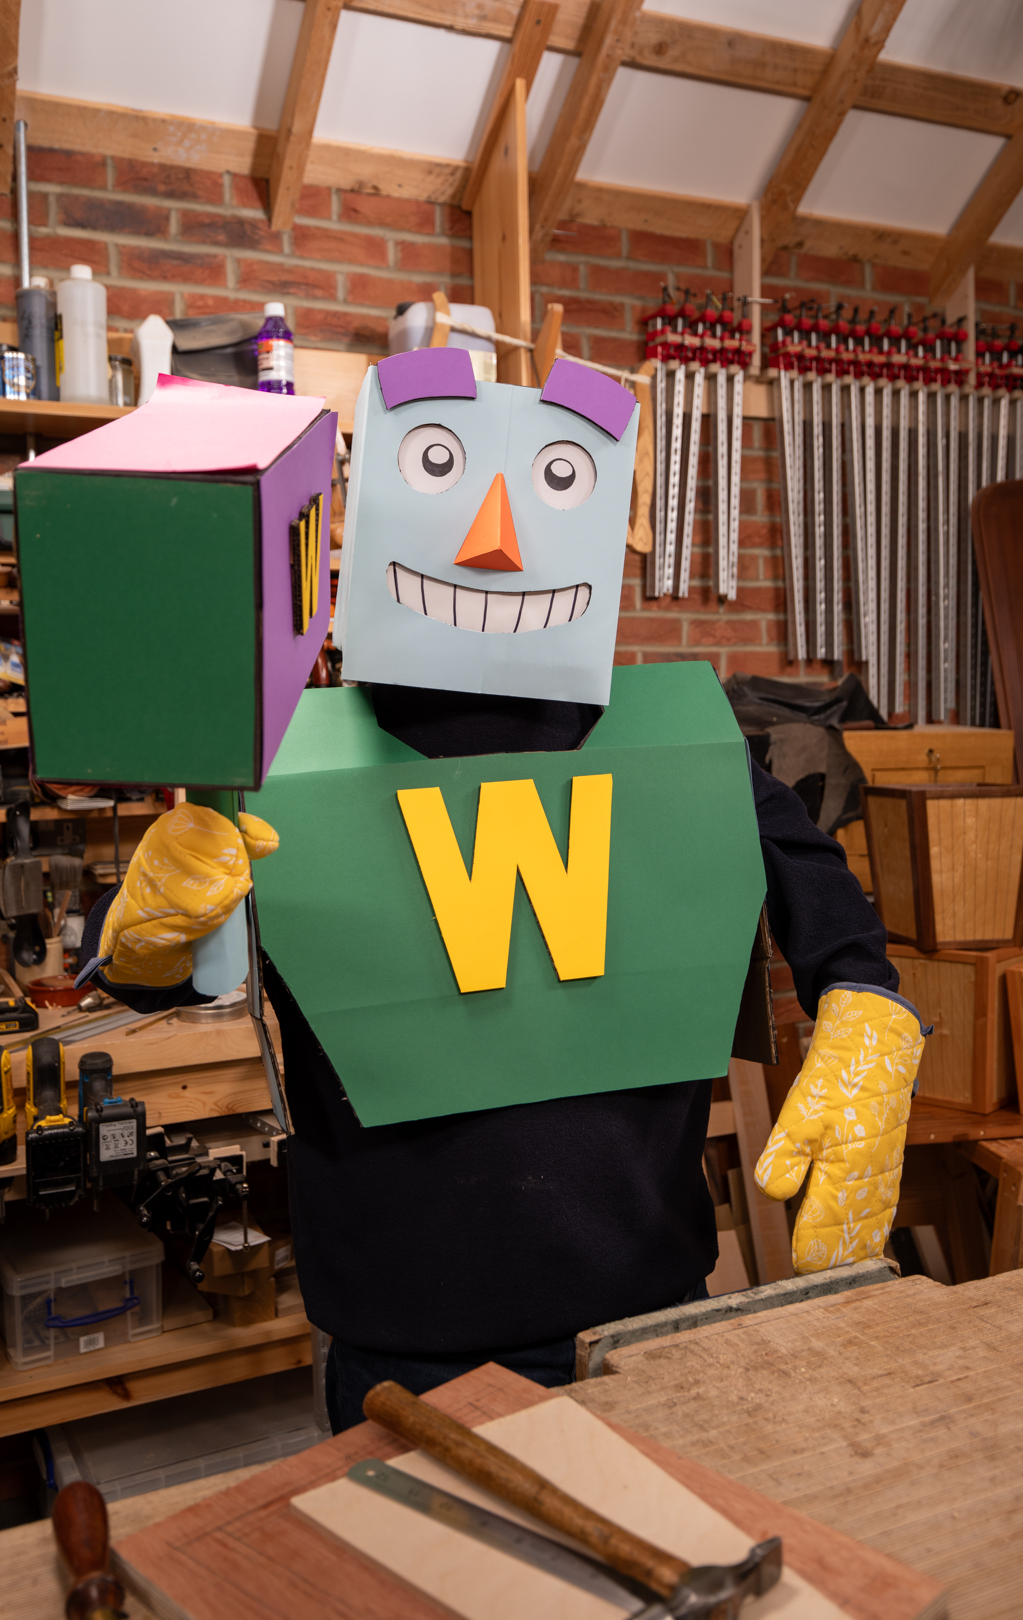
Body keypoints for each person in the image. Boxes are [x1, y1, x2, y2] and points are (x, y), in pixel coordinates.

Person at [80, 351, 927, 1432]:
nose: (495, 537)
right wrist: (152, 928)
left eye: (555, 484)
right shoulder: (288, 760)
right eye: (440, 472)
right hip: (403, 1339)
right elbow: (163, 985)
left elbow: (820, 891)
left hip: (645, 1309)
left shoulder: (682, 746)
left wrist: (870, 1010)